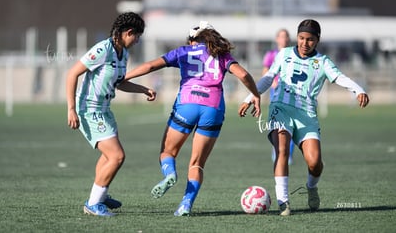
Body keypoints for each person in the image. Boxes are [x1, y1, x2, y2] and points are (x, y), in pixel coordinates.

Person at [125, 21, 261, 216]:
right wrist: (255, 95)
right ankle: (185, 204)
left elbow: (149, 65)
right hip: (213, 108)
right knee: (197, 163)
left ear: (191, 39)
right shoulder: (222, 55)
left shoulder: (183, 51)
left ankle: (170, 173)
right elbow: (244, 74)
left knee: (167, 152)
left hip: (187, 104)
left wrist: (124, 78)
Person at [239, 19, 369, 216]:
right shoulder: (284, 54)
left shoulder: (323, 62)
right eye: (301, 38)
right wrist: (250, 97)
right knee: (281, 150)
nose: (304, 43)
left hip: (306, 114)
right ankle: (283, 201)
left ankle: (311, 187)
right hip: (280, 108)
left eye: (309, 39)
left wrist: (358, 90)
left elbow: (340, 77)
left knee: (315, 163)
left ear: (317, 40)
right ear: (297, 37)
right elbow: (268, 78)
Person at [66, 12, 156, 217]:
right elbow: (72, 74)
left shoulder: (123, 53)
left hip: (105, 110)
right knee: (117, 156)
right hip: (89, 110)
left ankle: (101, 195)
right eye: (137, 36)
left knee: (109, 156)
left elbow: (120, 82)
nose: (138, 41)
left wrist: (143, 90)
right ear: (128, 32)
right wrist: (71, 108)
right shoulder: (102, 49)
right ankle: (93, 204)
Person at [262, 29, 295, 165]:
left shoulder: (294, 54)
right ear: (277, 39)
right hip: (276, 93)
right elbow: (265, 71)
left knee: (291, 125)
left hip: (292, 94)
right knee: (277, 124)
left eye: (286, 36)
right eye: (281, 36)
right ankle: (277, 151)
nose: (284, 39)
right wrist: (273, 82)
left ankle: (288, 155)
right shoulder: (271, 54)